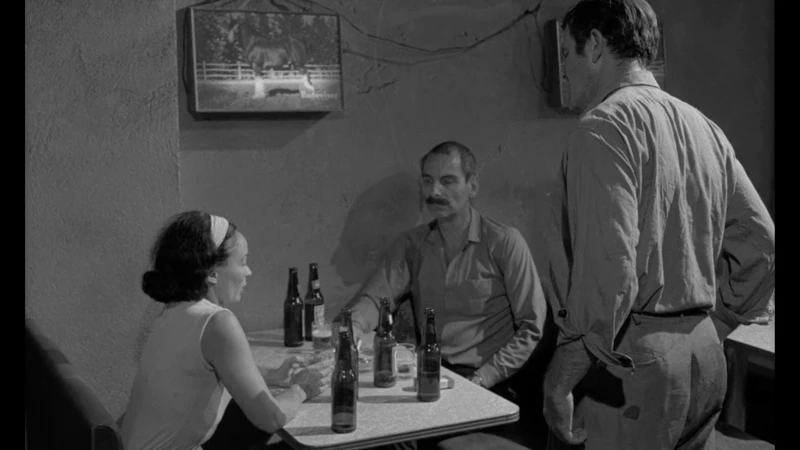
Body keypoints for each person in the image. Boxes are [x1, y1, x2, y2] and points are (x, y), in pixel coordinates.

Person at [542, 1, 775, 449]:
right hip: (704, 356)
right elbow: (763, 242)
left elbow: (609, 273)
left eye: (567, 52)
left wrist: (558, 379)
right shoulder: (705, 128)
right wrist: (717, 323)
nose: (564, 69)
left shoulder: (601, 128)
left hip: (629, 364)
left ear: (595, 45)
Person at [338, 141, 550, 450]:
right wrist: (354, 326)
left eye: (448, 181)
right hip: (431, 373)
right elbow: (375, 298)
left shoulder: (504, 242)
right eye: (427, 180)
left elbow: (532, 327)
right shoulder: (413, 244)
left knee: (414, 439)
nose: (434, 191)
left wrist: (484, 377)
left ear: (472, 185)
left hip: (490, 382)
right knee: (371, 431)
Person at [121, 211, 333, 450]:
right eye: (242, 262)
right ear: (212, 273)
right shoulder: (217, 322)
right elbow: (271, 419)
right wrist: (302, 389)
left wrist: (274, 375)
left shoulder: (175, 311)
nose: (248, 271)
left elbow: (212, 370)